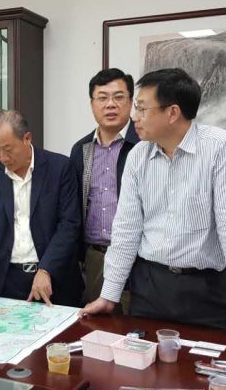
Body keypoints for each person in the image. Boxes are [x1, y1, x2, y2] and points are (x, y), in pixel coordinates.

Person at [80, 68, 226, 345]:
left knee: (208, 365)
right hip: (150, 288)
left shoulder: (220, 148)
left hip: (209, 290)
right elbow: (126, 230)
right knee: (145, 364)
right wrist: (109, 295)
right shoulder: (138, 155)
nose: (135, 117)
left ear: (172, 113)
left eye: (142, 108)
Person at [0, 110, 83, 310]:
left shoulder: (60, 168)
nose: (2, 157)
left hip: (53, 280)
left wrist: (46, 269)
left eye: (8, 149)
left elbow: (69, 225)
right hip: (6, 281)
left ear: (27, 138)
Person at [69, 68, 139, 308]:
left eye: (118, 97)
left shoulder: (144, 146)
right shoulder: (81, 149)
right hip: (94, 256)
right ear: (92, 104)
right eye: (102, 98)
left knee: (134, 323)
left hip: (137, 257)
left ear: (131, 101)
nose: (110, 104)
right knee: (98, 323)